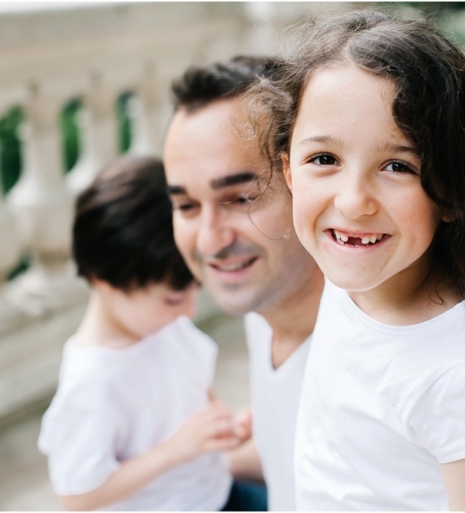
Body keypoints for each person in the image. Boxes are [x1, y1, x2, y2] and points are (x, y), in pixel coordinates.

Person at [252, 10, 465, 510]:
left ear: (454, 191)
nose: (352, 202)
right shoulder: (352, 273)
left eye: (397, 166)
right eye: (324, 159)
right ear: (289, 171)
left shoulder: (460, 372)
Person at [37, 155, 259, 511]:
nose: (188, 310)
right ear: (104, 279)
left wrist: (223, 428)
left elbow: (194, 392)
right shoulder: (92, 383)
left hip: (216, 492)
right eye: (173, 298)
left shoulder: (164, 326)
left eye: (194, 290)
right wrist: (175, 450)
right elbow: (77, 496)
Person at [163, 57, 324, 511]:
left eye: (241, 198)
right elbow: (290, 464)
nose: (211, 241)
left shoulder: (381, 355)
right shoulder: (265, 309)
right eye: (188, 206)